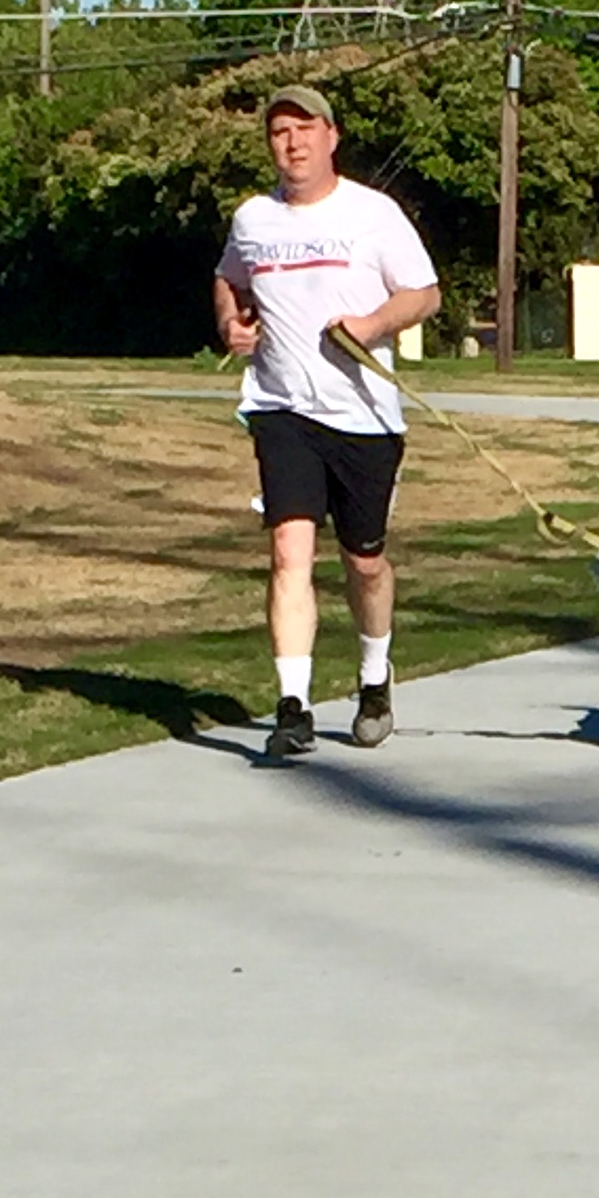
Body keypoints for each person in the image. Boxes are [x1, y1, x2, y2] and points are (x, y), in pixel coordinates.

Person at [211, 84, 441, 757]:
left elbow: (424, 293)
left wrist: (370, 325)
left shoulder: (373, 214)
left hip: (363, 416)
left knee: (363, 562)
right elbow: (228, 277)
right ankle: (293, 706)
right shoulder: (253, 219)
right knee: (289, 551)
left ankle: (374, 682)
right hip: (282, 409)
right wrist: (230, 321)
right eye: (279, 132)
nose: (292, 143)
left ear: (331, 137)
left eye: (304, 129)